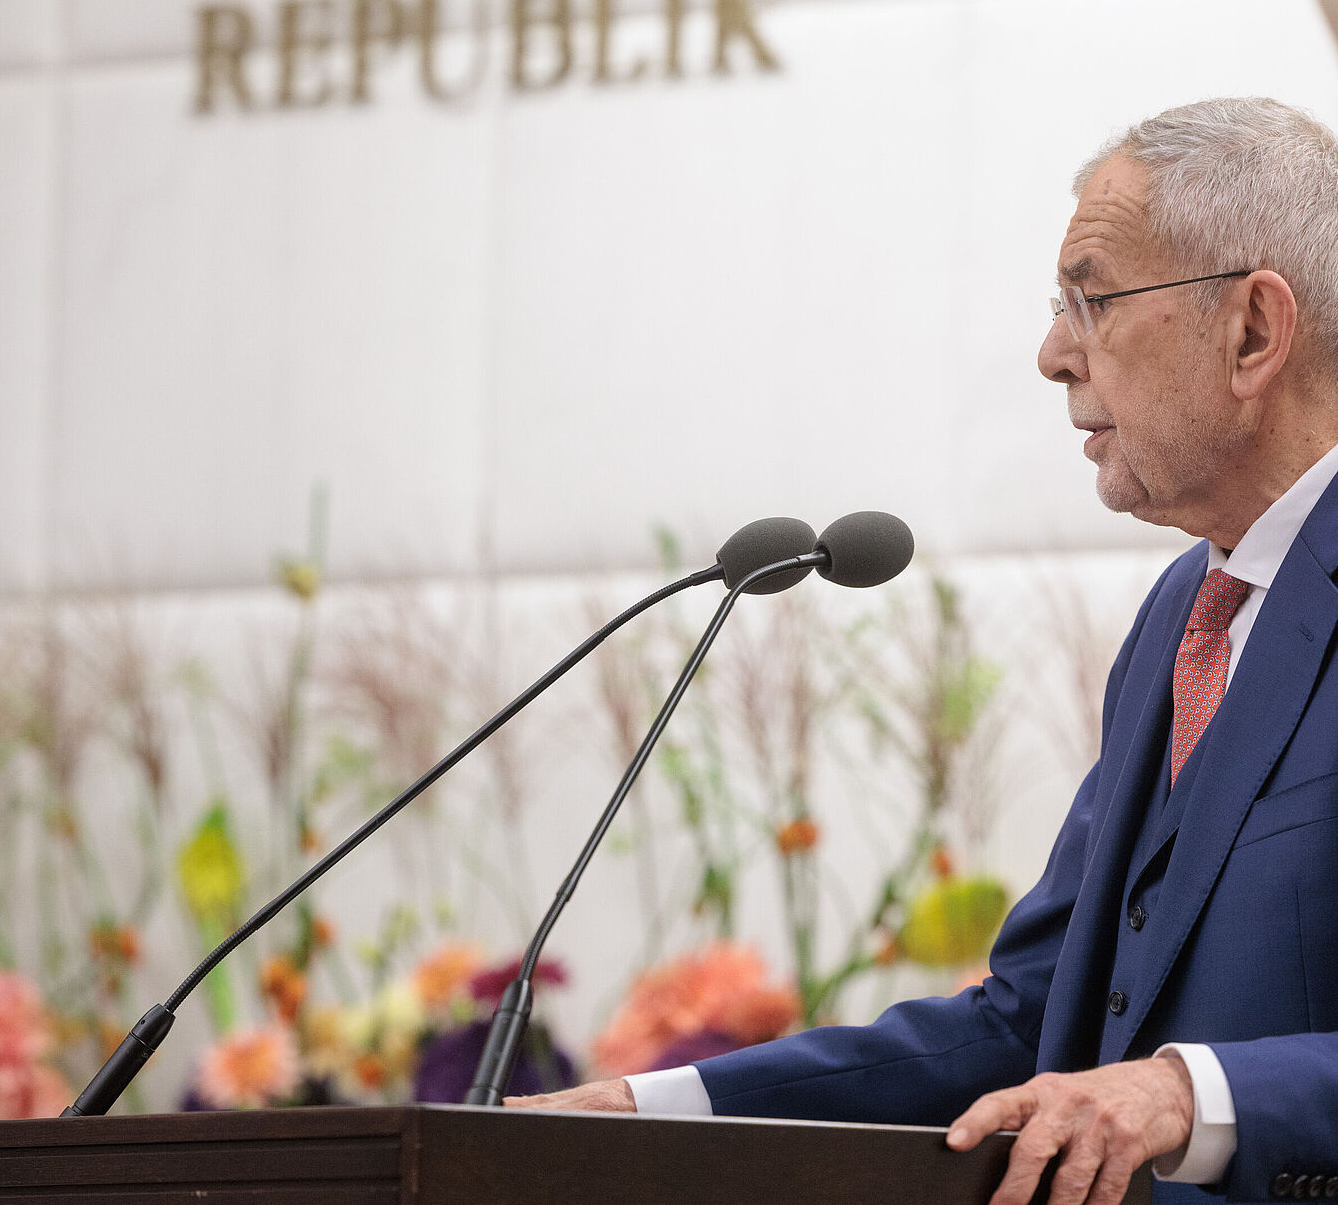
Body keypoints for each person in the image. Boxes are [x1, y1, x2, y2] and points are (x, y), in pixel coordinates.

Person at [508, 97, 1338, 1205]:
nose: (1053, 355)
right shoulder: (1182, 617)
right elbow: (1026, 1021)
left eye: (1092, 301)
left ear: (1253, 332)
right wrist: (651, 1111)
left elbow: (1166, 1079)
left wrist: (1195, 1095)